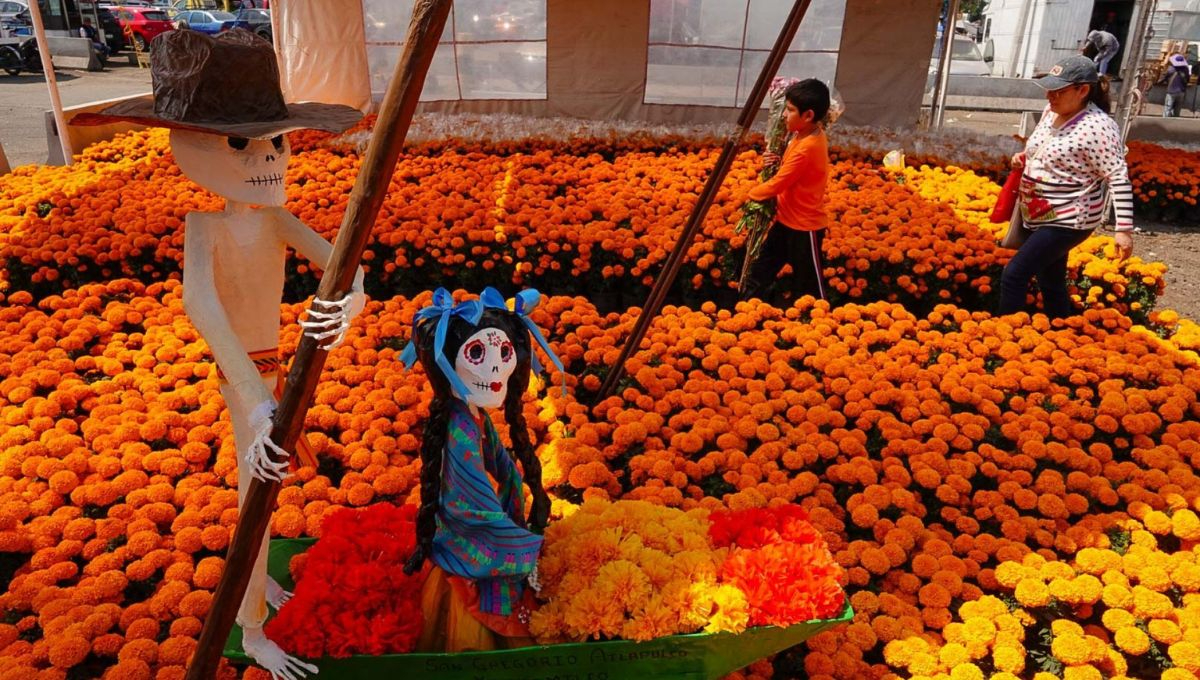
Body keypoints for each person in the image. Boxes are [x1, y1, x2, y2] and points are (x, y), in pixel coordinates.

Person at [399, 287, 562, 652]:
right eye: (477, 353)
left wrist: (519, 488)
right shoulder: (459, 428)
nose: (495, 367)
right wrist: (517, 539)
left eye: (504, 353)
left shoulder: (474, 417)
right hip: (465, 546)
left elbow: (500, 462)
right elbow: (469, 501)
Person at [999, 55, 1135, 320]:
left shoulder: (1098, 127)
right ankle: (1062, 327)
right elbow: (1045, 146)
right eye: (1049, 89)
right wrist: (1025, 157)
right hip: (1038, 213)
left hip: (1068, 219)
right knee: (1050, 279)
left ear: (1082, 90)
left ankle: (1007, 336)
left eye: (1058, 90)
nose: (1050, 96)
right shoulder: (1053, 112)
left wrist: (1124, 230)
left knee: (1014, 274)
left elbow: (1118, 176)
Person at [738, 78, 831, 304]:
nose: (783, 116)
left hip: (804, 227)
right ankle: (746, 310)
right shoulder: (804, 135)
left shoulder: (808, 147)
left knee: (809, 290)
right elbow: (794, 171)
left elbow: (779, 183)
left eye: (789, 111)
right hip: (786, 221)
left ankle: (816, 324)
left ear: (808, 115)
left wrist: (749, 195)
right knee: (760, 272)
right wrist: (778, 160)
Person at [1163, 53, 1191, 118]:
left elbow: (1165, 78)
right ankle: (1175, 123)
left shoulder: (1171, 69)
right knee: (1177, 110)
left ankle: (1165, 123)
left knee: (1168, 109)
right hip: (1181, 92)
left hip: (1171, 92)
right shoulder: (1186, 69)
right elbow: (1188, 80)